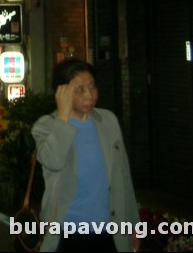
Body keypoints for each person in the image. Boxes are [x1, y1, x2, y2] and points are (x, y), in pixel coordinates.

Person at [32, 59, 141, 252]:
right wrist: (63, 116)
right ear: (62, 93)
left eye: (92, 86)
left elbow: (123, 176)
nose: (89, 94)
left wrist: (133, 224)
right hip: (67, 235)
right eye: (79, 89)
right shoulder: (46, 127)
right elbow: (54, 162)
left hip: (110, 233)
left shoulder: (108, 121)